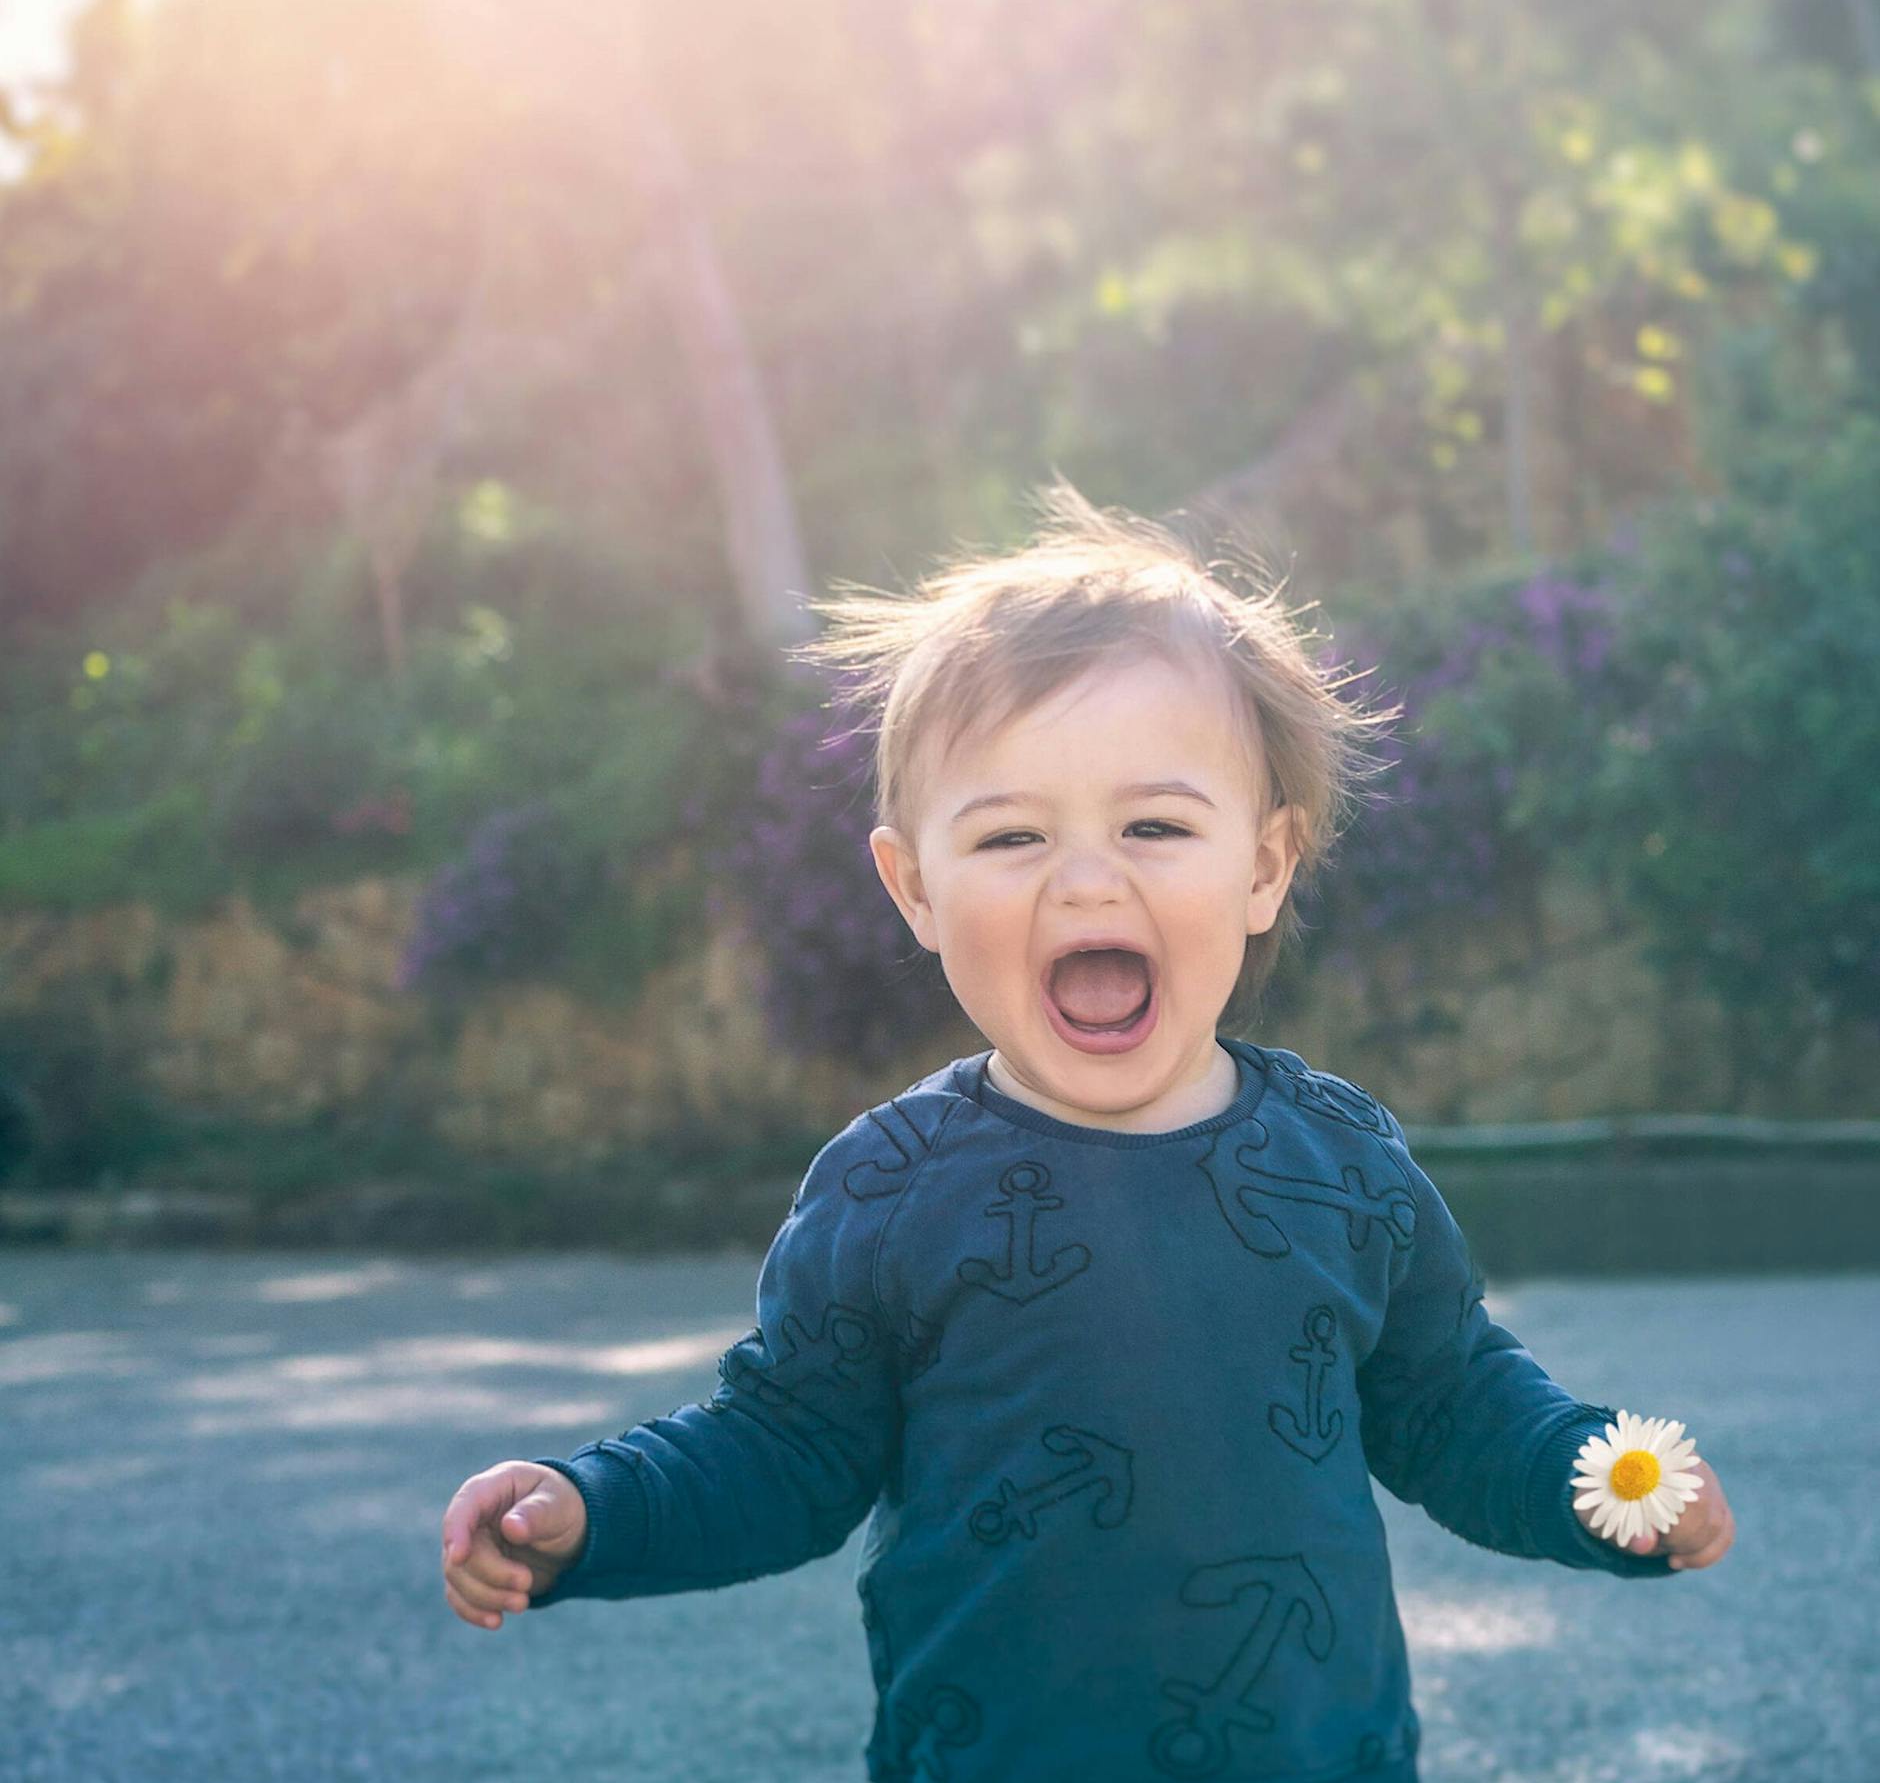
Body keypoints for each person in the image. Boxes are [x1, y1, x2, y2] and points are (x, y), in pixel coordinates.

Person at [440, 486, 1735, 1781]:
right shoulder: (889, 1188)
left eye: (1155, 825)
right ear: (915, 888)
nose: (1086, 878)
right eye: (1011, 835)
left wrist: (1604, 1480)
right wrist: (598, 1511)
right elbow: (784, 1447)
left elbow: (1453, 1403)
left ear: (1265, 867)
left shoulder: (1341, 1167)